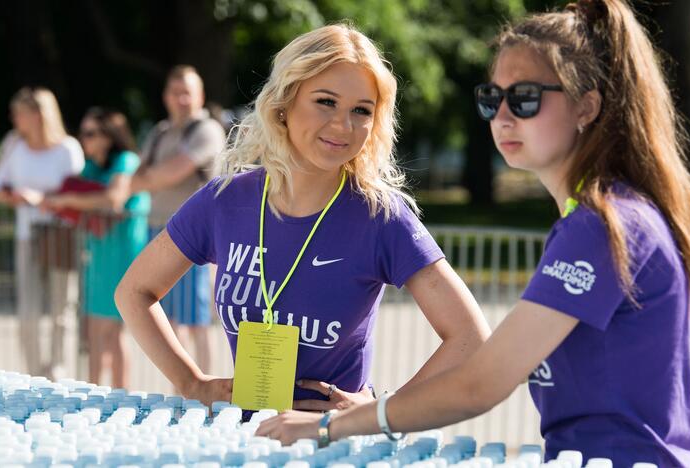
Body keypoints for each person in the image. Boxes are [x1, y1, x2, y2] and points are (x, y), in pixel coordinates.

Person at [257, 2, 690, 467]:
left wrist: (328, 426)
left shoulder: (603, 224)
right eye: (491, 98)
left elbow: (483, 381)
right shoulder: (605, 214)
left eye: (524, 98)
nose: (502, 115)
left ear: (587, 105)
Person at [115, 24, 490, 410]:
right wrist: (190, 381)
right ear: (284, 101)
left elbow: (470, 337)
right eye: (326, 101)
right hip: (241, 441)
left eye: (361, 110)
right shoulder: (224, 200)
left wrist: (383, 410)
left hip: (333, 446)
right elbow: (133, 291)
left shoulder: (381, 217)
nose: (343, 125)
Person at [42, 108, 150, 388]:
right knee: (93, 330)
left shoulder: (126, 161)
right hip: (98, 253)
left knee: (114, 333)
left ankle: (121, 397)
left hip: (122, 253)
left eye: (90, 133)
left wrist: (67, 199)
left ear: (108, 136)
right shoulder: (93, 166)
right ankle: (93, 393)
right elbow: (82, 195)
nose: (85, 140)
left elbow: (113, 199)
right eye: (83, 133)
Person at [128, 65, 226, 375]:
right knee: (168, 319)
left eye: (188, 92)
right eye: (176, 92)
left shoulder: (207, 129)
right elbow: (138, 177)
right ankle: (184, 390)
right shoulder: (159, 133)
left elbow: (172, 172)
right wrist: (153, 178)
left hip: (196, 237)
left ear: (200, 96)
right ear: (166, 96)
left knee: (196, 321)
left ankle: (207, 390)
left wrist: (151, 178)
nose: (181, 99)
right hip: (158, 230)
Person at [0, 87, 85, 380]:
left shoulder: (67, 148)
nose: (14, 118)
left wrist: (43, 200)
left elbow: (79, 194)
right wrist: (17, 197)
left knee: (62, 312)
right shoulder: (14, 144)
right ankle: (31, 376)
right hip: (26, 235)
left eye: (20, 112)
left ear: (38, 114)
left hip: (60, 235)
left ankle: (60, 373)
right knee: (28, 313)